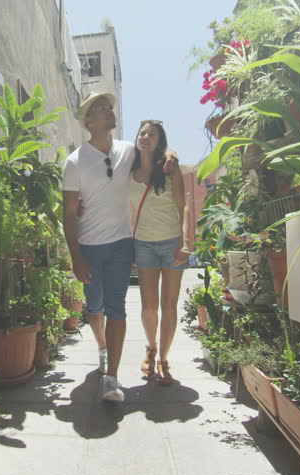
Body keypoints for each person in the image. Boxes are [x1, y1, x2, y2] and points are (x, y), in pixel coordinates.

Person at [62, 92, 176, 402]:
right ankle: (101, 347)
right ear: (89, 121)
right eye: (101, 109)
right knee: (93, 306)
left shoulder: (127, 150)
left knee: (117, 308)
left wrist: (169, 154)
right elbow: (69, 213)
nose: (109, 110)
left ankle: (111, 379)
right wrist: (76, 258)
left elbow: (154, 156)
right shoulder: (74, 163)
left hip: (122, 244)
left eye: (109, 106)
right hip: (89, 248)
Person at [129, 120, 191, 386]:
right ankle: (150, 348)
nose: (145, 136)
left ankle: (164, 358)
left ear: (159, 141)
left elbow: (184, 207)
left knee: (169, 306)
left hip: (171, 243)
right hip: (143, 243)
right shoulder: (127, 168)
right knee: (148, 307)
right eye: (142, 133)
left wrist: (186, 241)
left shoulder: (169, 169)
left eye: (151, 134)